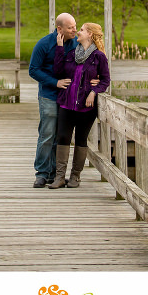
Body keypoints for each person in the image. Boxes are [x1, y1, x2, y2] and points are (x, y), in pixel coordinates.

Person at [49, 22, 110, 189]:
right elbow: (58, 71)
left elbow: (105, 80)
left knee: (81, 140)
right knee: (63, 137)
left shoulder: (99, 57)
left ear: (90, 34)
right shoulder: (71, 53)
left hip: (86, 106)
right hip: (67, 104)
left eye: (81, 30)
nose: (78, 32)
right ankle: (59, 177)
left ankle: (75, 177)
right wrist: (60, 48)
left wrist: (94, 91)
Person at [28, 13, 78, 188]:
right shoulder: (44, 44)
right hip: (49, 94)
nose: (75, 30)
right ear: (59, 29)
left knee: (61, 135)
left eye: (75, 26)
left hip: (68, 97)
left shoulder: (76, 43)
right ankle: (41, 173)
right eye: (71, 27)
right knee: (47, 134)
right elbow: (33, 70)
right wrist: (55, 83)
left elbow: (90, 62)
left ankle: (57, 173)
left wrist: (96, 78)